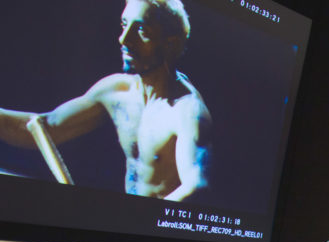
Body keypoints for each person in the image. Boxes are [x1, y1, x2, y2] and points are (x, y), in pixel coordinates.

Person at [0, 0, 210, 201]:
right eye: (124, 25)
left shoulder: (187, 111)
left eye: (142, 31)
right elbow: (44, 128)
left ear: (170, 44)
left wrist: (142, 223)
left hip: (156, 234)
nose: (123, 39)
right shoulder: (117, 91)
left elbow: (195, 186)